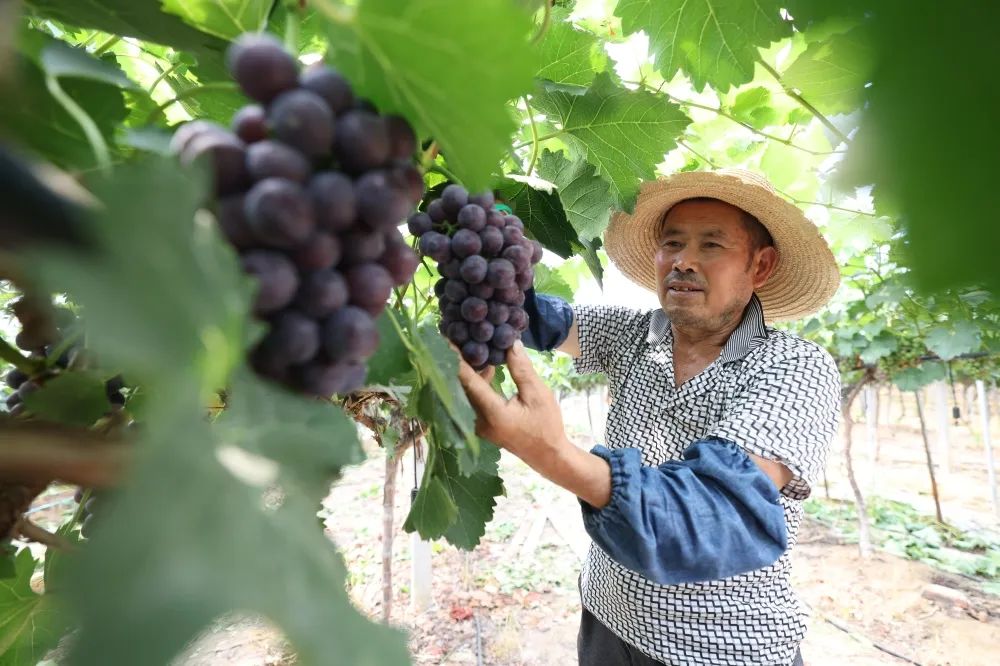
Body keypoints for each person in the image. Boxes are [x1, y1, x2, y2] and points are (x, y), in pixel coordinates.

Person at [456, 169, 842, 666]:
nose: (683, 260)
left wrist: (550, 451)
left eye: (711, 245)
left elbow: (714, 513)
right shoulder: (634, 334)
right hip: (607, 621)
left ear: (760, 266)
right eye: (673, 243)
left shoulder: (795, 367)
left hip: (723, 650)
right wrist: (492, 243)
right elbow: (534, 317)